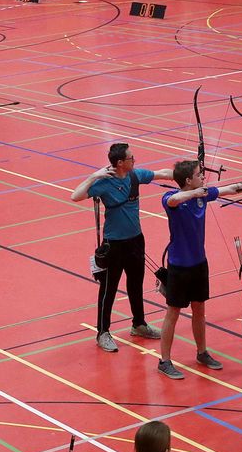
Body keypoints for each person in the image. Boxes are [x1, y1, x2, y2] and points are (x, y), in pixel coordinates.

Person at [156, 160, 242, 379]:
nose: (203, 177)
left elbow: (230, 189)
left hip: (199, 264)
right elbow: (175, 199)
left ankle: (202, 352)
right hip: (178, 266)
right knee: (173, 313)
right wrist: (195, 194)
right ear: (187, 180)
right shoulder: (171, 199)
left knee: (199, 309)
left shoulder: (201, 194)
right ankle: (164, 360)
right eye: (198, 174)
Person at [70, 143, 172, 353]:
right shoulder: (104, 182)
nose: (134, 161)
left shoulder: (135, 176)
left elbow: (162, 174)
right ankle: (103, 332)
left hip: (136, 240)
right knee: (109, 290)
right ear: (119, 163)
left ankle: (139, 324)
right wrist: (94, 176)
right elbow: (76, 195)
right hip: (114, 245)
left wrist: (185, 173)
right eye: (131, 158)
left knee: (136, 284)